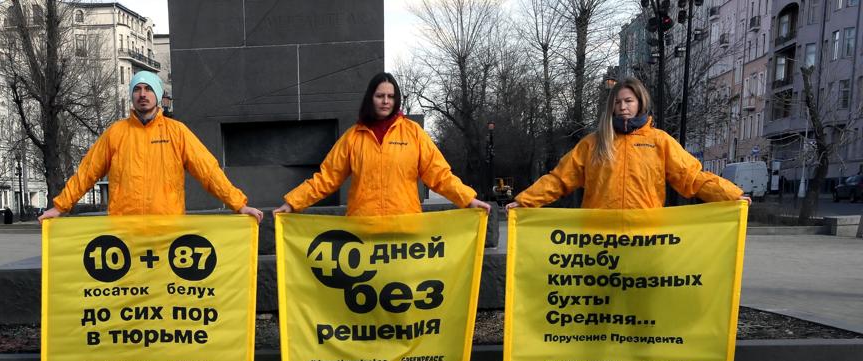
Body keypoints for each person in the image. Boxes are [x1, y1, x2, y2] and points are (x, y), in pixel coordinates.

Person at [39, 72, 263, 222]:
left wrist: (238, 204)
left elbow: (209, 171)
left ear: (158, 95)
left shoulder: (177, 132)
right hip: (125, 231)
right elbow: (86, 173)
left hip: (167, 230)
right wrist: (60, 207)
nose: (143, 94)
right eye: (137, 89)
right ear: (132, 96)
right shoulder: (115, 133)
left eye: (148, 89)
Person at [506, 77, 747, 211]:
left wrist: (731, 195)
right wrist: (525, 200)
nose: (623, 106)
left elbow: (692, 177)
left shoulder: (659, 141)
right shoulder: (593, 144)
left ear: (639, 102)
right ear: (611, 105)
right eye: (618, 101)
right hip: (599, 239)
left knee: (640, 299)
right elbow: (559, 179)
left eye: (629, 101)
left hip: (644, 238)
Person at [274, 72, 490, 217]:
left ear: (396, 100)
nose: (385, 101)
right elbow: (326, 178)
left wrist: (468, 199)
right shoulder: (352, 137)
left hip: (405, 231)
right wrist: (292, 203)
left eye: (390, 96)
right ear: (371, 98)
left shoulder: (414, 132)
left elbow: (440, 175)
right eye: (380, 96)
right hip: (363, 234)